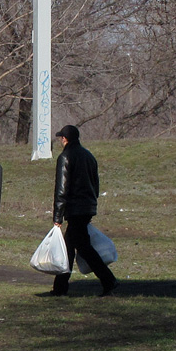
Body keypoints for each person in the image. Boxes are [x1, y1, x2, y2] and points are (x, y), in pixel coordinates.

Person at [50, 125, 117, 297]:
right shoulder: (89, 156)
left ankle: (108, 280)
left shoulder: (65, 157)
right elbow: (96, 185)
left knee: (82, 248)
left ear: (65, 139)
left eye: (61, 138)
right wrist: (91, 204)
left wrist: (57, 216)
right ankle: (60, 288)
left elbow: (61, 190)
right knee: (69, 247)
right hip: (87, 208)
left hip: (74, 209)